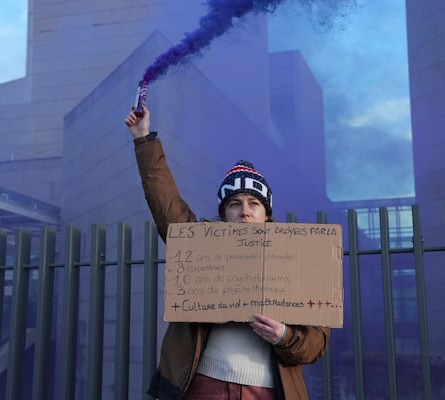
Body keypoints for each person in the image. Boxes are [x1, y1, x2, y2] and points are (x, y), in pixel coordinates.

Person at [125, 105, 331, 400]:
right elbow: (166, 206)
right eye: (235, 204)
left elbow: (315, 344)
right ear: (224, 215)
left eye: (253, 204)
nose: (244, 212)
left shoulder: (298, 260)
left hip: (267, 392)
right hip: (203, 387)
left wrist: (283, 335)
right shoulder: (202, 249)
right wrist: (143, 139)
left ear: (266, 215)